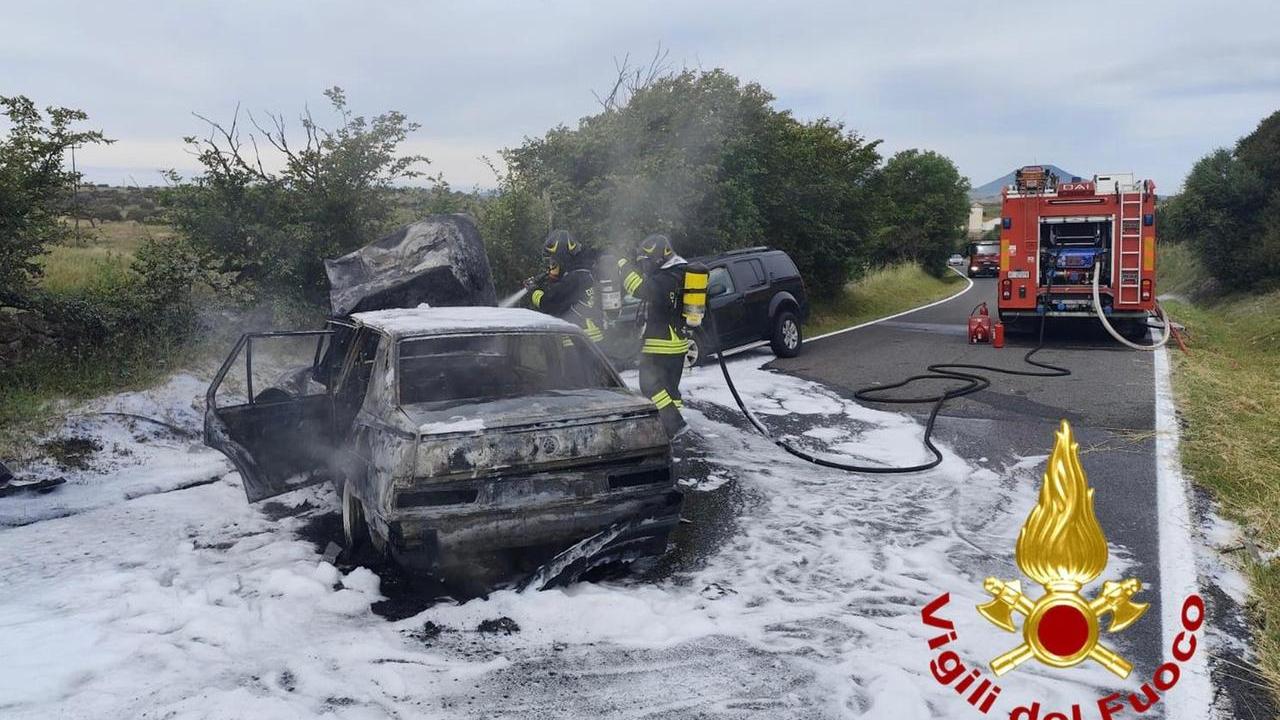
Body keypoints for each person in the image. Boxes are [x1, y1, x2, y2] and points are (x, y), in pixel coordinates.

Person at [617, 233, 689, 438]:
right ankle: (670, 428)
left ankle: (674, 425)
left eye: (646, 261)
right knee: (670, 390)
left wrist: (623, 267)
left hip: (662, 344)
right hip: (676, 343)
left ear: (659, 258)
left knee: (649, 385)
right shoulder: (680, 272)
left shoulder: (666, 279)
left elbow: (639, 289)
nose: (645, 266)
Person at [525, 229, 604, 343]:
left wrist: (533, 291)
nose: (551, 267)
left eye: (553, 262)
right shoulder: (583, 273)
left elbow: (547, 303)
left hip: (578, 343)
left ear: (563, 259)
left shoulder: (572, 280)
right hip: (591, 342)